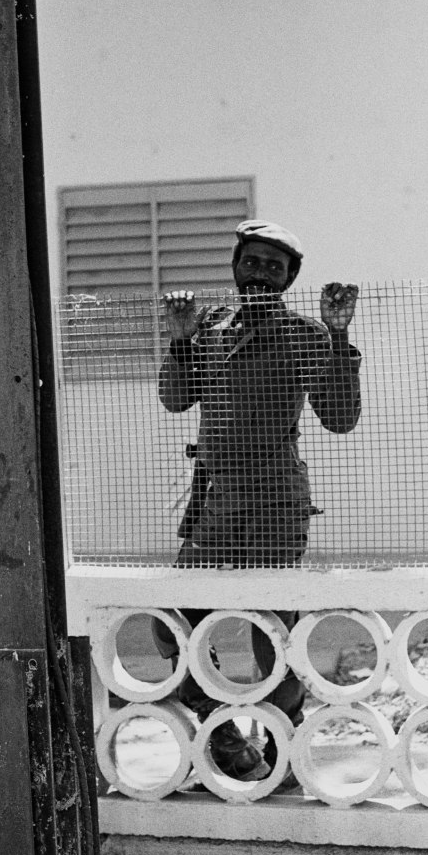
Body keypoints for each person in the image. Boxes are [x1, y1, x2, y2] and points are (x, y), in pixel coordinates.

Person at [154, 219, 361, 785]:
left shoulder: (305, 334)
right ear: (236, 265)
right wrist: (179, 336)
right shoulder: (211, 328)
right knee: (172, 621)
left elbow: (340, 419)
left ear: (291, 278)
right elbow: (175, 399)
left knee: (271, 630)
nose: (262, 274)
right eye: (254, 262)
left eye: (276, 267)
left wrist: (338, 335)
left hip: (274, 498)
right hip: (216, 498)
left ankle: (284, 748)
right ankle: (223, 732)